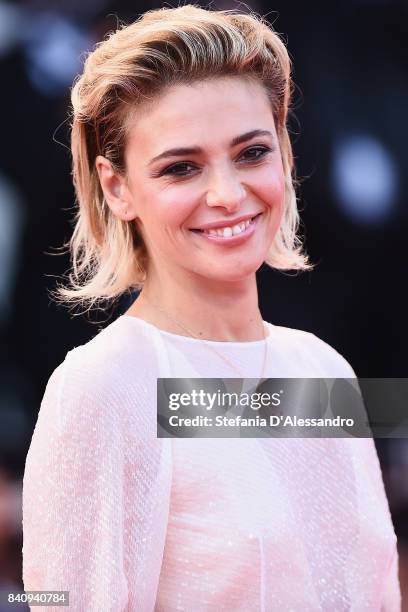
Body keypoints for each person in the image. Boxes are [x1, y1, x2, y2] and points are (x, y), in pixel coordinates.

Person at [22, 5, 401, 611]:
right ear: (116, 187)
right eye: (181, 167)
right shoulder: (102, 388)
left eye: (252, 153)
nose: (227, 195)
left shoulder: (323, 371)